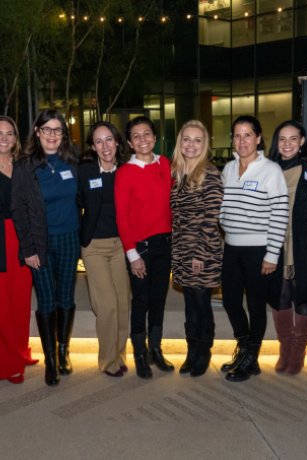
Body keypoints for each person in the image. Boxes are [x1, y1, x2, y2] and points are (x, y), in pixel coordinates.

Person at [12, 110, 80, 386]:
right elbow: (19, 210)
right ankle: (50, 360)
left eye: (58, 130)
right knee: (46, 300)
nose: (52, 135)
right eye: (47, 129)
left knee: (65, 297)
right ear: (37, 132)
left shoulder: (72, 162)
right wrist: (28, 248)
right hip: (39, 243)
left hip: (69, 238)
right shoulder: (25, 166)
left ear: (63, 135)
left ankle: (63, 351)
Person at [219, 115, 289, 382]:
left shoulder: (271, 170)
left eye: (248, 135)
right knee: (230, 300)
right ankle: (244, 347)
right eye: (237, 135)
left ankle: (252, 358)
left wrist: (272, 254)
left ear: (259, 138)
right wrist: (224, 222)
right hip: (232, 248)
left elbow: (280, 213)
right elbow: (223, 206)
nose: (242, 140)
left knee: (256, 305)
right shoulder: (228, 168)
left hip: (259, 250)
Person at [0, 116, 38, 385]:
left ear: (16, 139)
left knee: (21, 302)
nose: (4, 138)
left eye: (9, 133)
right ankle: (6, 363)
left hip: (22, 238)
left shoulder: (25, 166)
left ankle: (20, 352)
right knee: (0, 306)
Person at [114, 116, 174, 379]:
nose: (142, 139)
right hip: (140, 248)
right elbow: (121, 217)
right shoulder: (125, 173)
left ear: (155, 137)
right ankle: (139, 352)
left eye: (147, 133)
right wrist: (132, 255)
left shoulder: (165, 164)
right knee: (141, 301)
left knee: (159, 299)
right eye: (136, 136)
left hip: (165, 243)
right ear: (129, 142)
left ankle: (155, 349)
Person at [268, 120, 307, 375]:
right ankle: (286, 349)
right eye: (282, 139)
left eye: (293, 139)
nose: (287, 144)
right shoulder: (266, 169)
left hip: (303, 243)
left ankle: (298, 352)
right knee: (279, 296)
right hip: (274, 243)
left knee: (302, 297)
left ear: (302, 141)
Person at [170, 120, 223, 377]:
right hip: (181, 251)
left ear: (204, 145)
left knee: (202, 303)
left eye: (197, 140)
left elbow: (212, 217)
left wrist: (199, 255)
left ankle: (204, 351)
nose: (191, 144)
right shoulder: (177, 172)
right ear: (180, 142)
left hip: (202, 251)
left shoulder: (209, 173)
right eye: (187, 139)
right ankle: (192, 350)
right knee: (190, 303)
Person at [77, 121, 130, 377]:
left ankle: (119, 355)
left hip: (121, 245)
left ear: (117, 142)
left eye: (109, 139)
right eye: (99, 141)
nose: (105, 146)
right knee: (107, 304)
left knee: (121, 303)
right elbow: (74, 203)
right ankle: (108, 361)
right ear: (92, 147)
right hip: (95, 246)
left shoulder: (127, 171)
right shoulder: (85, 171)